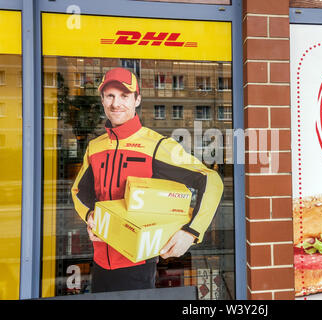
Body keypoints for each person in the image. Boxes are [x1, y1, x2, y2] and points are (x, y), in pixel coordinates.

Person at [71, 67, 224, 293]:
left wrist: (191, 232)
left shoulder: (157, 146)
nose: (116, 103)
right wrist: (90, 216)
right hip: (100, 261)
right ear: (102, 99)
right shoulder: (95, 147)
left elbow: (211, 180)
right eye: (110, 96)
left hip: (138, 266)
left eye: (124, 96)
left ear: (137, 99)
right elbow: (79, 192)